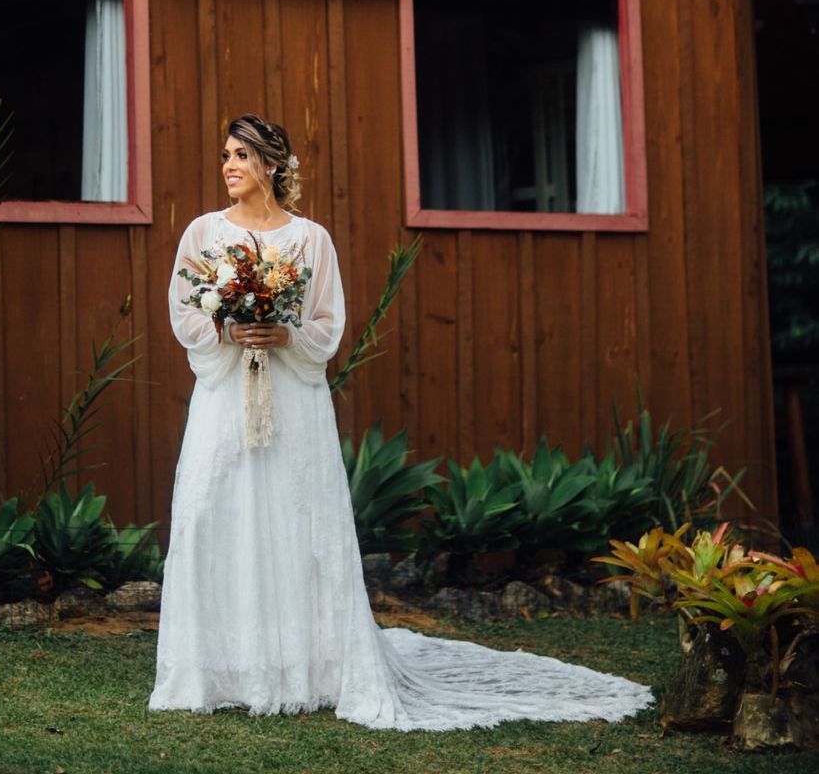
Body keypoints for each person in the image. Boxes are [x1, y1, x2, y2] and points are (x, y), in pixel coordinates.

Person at [148, 112, 653, 731]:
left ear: (272, 167)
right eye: (225, 154)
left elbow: (328, 327)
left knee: (294, 515)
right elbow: (183, 313)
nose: (228, 165)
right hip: (226, 398)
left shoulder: (311, 241)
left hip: (294, 398)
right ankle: (217, 666)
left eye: (241, 156)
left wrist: (285, 332)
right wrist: (229, 327)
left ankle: (310, 665)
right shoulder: (203, 234)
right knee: (211, 511)